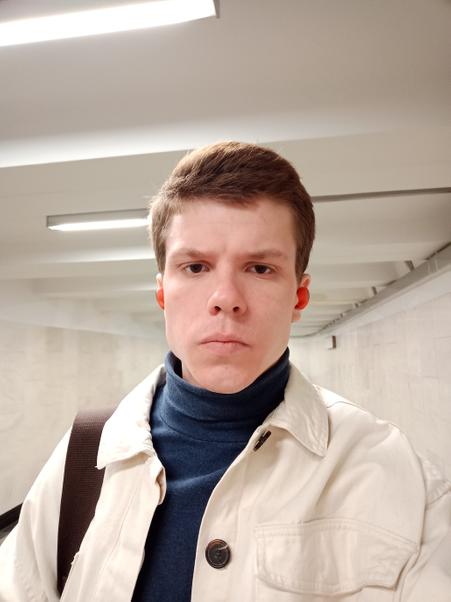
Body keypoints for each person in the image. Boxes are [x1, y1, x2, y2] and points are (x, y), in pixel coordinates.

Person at [1, 141, 450, 602]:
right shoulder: (85, 457)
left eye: (260, 268)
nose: (226, 298)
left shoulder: (392, 474)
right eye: (195, 266)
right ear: (162, 293)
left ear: (299, 296)